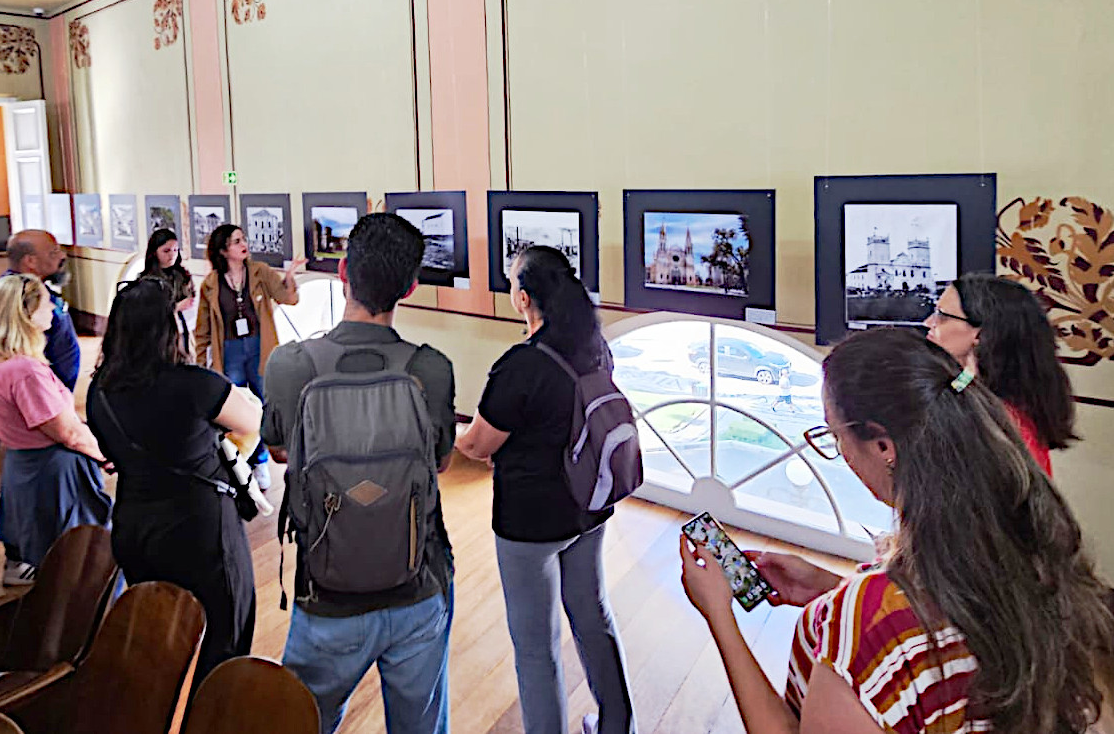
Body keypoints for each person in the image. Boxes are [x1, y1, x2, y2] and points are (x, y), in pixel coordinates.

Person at [678, 328, 1114, 734]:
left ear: (883, 445)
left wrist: (720, 614)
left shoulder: (864, 618)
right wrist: (829, 587)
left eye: (834, 434)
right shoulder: (1025, 537)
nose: (840, 452)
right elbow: (948, 626)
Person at [260, 213, 456, 734]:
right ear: (410, 288)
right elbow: (439, 463)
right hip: (418, 585)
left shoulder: (290, 365)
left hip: (326, 596)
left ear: (343, 272)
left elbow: (278, 451)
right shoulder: (431, 369)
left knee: (305, 723)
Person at [455, 246, 636, 734]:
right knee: (593, 615)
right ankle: (618, 726)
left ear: (523, 299)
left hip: (530, 523)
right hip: (589, 506)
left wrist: (454, 435)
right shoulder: (595, 348)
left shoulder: (521, 366)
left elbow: (478, 444)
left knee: (536, 647)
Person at [87, 276, 262, 686]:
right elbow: (253, 421)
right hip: (200, 531)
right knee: (222, 636)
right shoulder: (195, 385)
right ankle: (210, 711)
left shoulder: (100, 392)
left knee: (159, 633)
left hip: (135, 526)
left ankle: (159, 708)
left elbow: (112, 454)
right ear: (169, 329)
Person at [0, 273, 113, 586]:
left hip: (25, 467)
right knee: (78, 564)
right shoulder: (25, 370)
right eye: (47, 304)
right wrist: (106, 455)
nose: (53, 310)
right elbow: (68, 433)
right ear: (26, 314)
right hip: (52, 473)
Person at [925, 273, 1077, 475]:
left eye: (942, 316)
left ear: (980, 334)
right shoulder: (975, 387)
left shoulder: (1002, 423)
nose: (928, 322)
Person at [196, 223, 306, 489]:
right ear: (223, 250)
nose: (243, 244)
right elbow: (203, 329)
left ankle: (261, 460)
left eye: (243, 239)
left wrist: (290, 277)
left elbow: (288, 299)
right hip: (229, 350)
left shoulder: (260, 272)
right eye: (236, 241)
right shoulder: (210, 284)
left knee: (264, 404)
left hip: (259, 347)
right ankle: (240, 459)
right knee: (233, 408)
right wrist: (200, 363)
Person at [0, 229, 81, 439]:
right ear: (31, 261)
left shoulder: (36, 292)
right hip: (34, 417)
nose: (62, 256)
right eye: (53, 252)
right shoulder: (17, 299)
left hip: (48, 405)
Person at [140, 228, 196, 355]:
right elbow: (147, 313)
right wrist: (175, 307)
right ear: (155, 252)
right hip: (159, 337)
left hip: (184, 331)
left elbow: (191, 297)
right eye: (166, 251)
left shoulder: (183, 276)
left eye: (175, 250)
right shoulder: (147, 281)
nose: (172, 255)